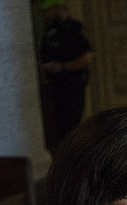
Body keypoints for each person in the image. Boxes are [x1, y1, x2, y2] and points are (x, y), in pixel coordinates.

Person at [39, 0, 93, 146]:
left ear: (59, 8)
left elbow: (87, 58)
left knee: (72, 127)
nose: (47, 14)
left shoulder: (75, 29)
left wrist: (64, 67)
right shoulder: (50, 31)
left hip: (73, 86)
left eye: (49, 10)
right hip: (55, 87)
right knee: (59, 129)